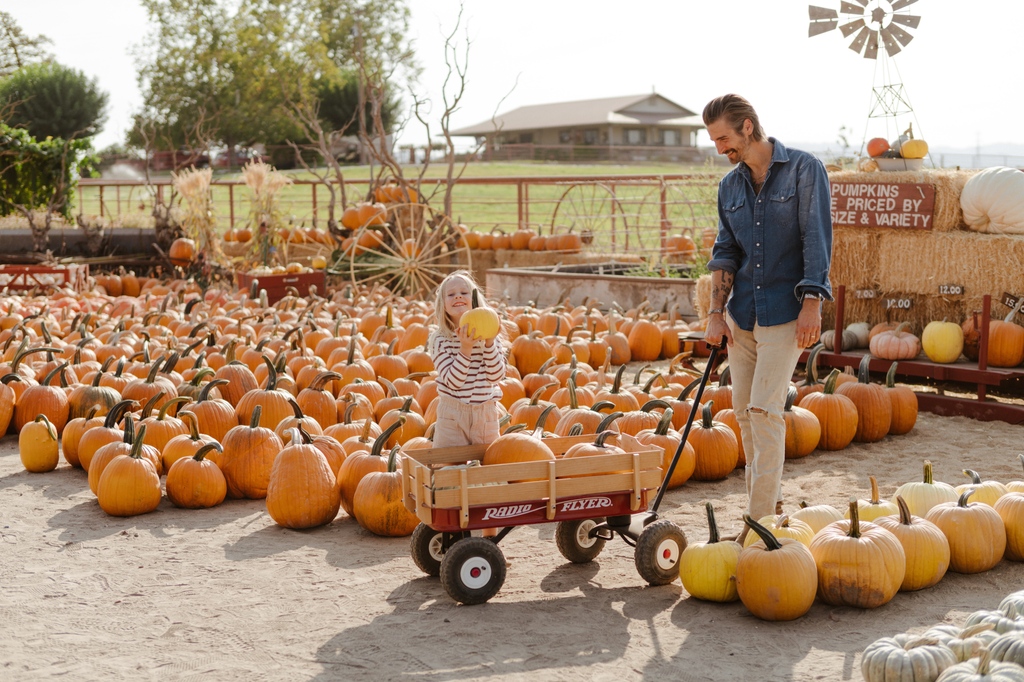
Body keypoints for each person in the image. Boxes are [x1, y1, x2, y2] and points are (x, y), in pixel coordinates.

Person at [700, 94, 833, 540]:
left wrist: (813, 301)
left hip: (785, 312)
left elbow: (816, 237)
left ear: (749, 128)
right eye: (714, 140)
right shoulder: (730, 187)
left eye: (724, 138)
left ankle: (756, 525)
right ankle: (769, 502)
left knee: (765, 410)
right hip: (742, 315)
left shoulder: (803, 169)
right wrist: (715, 313)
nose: (720, 148)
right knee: (742, 412)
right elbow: (726, 251)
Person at [427, 271, 507, 450]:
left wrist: (489, 343)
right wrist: (465, 348)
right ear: (443, 305)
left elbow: (495, 377)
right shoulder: (440, 339)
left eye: (464, 293)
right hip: (452, 416)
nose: (458, 296)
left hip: (485, 415)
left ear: (475, 300)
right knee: (448, 469)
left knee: (488, 468)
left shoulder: (490, 335)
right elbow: (454, 382)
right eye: (451, 294)